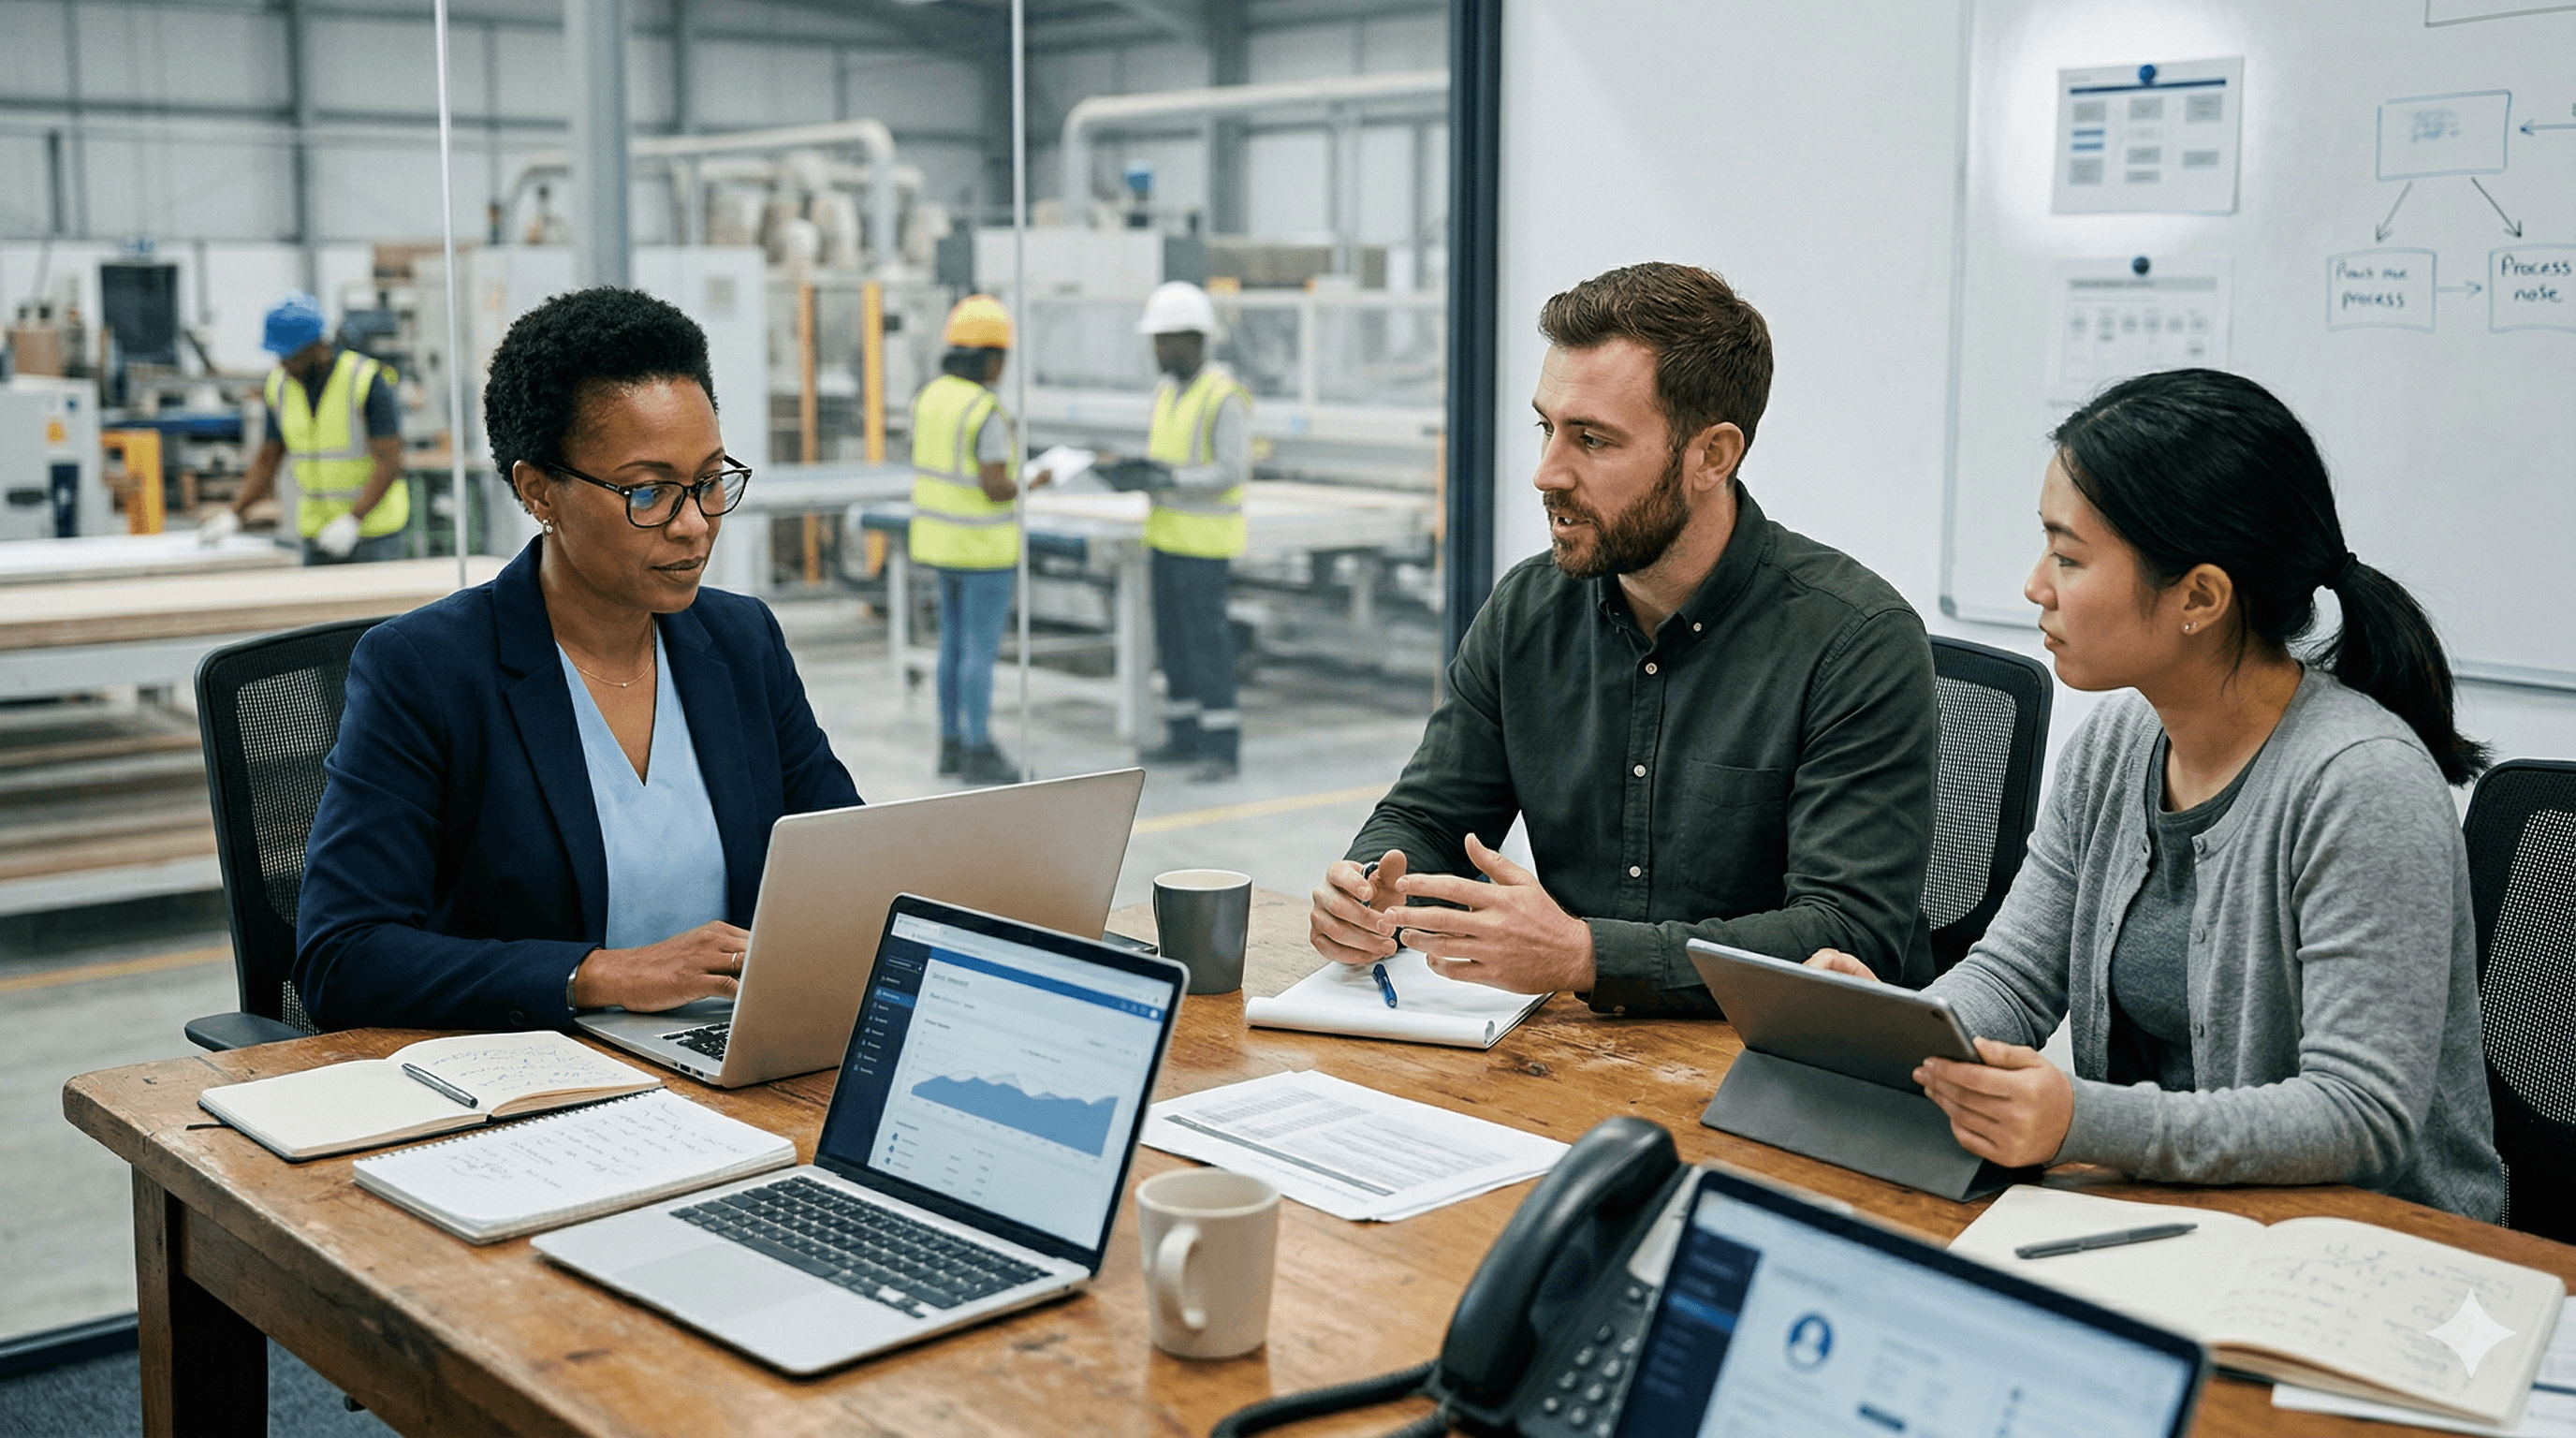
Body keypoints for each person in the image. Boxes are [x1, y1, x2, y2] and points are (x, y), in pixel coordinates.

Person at [1808, 368, 2503, 1221]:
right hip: (2166, 1215)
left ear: (2199, 596)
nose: (2036, 585)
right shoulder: (2115, 745)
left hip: (2374, 1246)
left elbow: (2359, 1115)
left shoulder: (2363, 783)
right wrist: (1899, 1030)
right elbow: (2016, 977)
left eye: (2069, 557)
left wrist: (2083, 1121)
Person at [1308, 262, 1942, 1013]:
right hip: (1578, 1045)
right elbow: (1428, 818)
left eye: (1593, 440)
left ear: (1712, 455)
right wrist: (1364, 891)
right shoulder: (1527, 610)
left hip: (1780, 1051)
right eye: (1546, 429)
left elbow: (1848, 931)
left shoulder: (1856, 642)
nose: (1547, 473)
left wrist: (1588, 956)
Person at [294, 286, 861, 1032]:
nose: (694, 525)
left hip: (726, 1053)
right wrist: (603, 975)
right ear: (539, 493)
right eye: (649, 492)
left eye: (709, 482)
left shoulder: (741, 641)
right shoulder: (427, 670)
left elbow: (848, 862)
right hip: (541, 1071)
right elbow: (343, 955)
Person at [907, 294, 1048, 785]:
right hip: (983, 551)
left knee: (950, 647)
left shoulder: (929, 398)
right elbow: (994, 487)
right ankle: (978, 746)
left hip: (940, 546)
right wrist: (1033, 480)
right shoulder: (983, 409)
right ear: (989, 358)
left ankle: (949, 744)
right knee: (978, 652)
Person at [1131, 280, 1252, 783]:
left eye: (1165, 340)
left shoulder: (1223, 397)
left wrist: (1171, 481)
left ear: (1193, 339)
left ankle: (1221, 748)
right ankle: (1183, 737)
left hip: (1204, 546)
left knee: (1207, 646)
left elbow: (1231, 470)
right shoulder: (1166, 393)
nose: (1157, 349)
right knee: (1174, 645)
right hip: (1165, 539)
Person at [199, 292, 407, 564]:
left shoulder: (365, 380)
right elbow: (268, 459)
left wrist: (354, 520)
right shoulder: (280, 386)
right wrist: (234, 514)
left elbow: (390, 460)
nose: (283, 363)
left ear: (317, 347)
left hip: (373, 536)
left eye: (291, 355)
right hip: (316, 534)